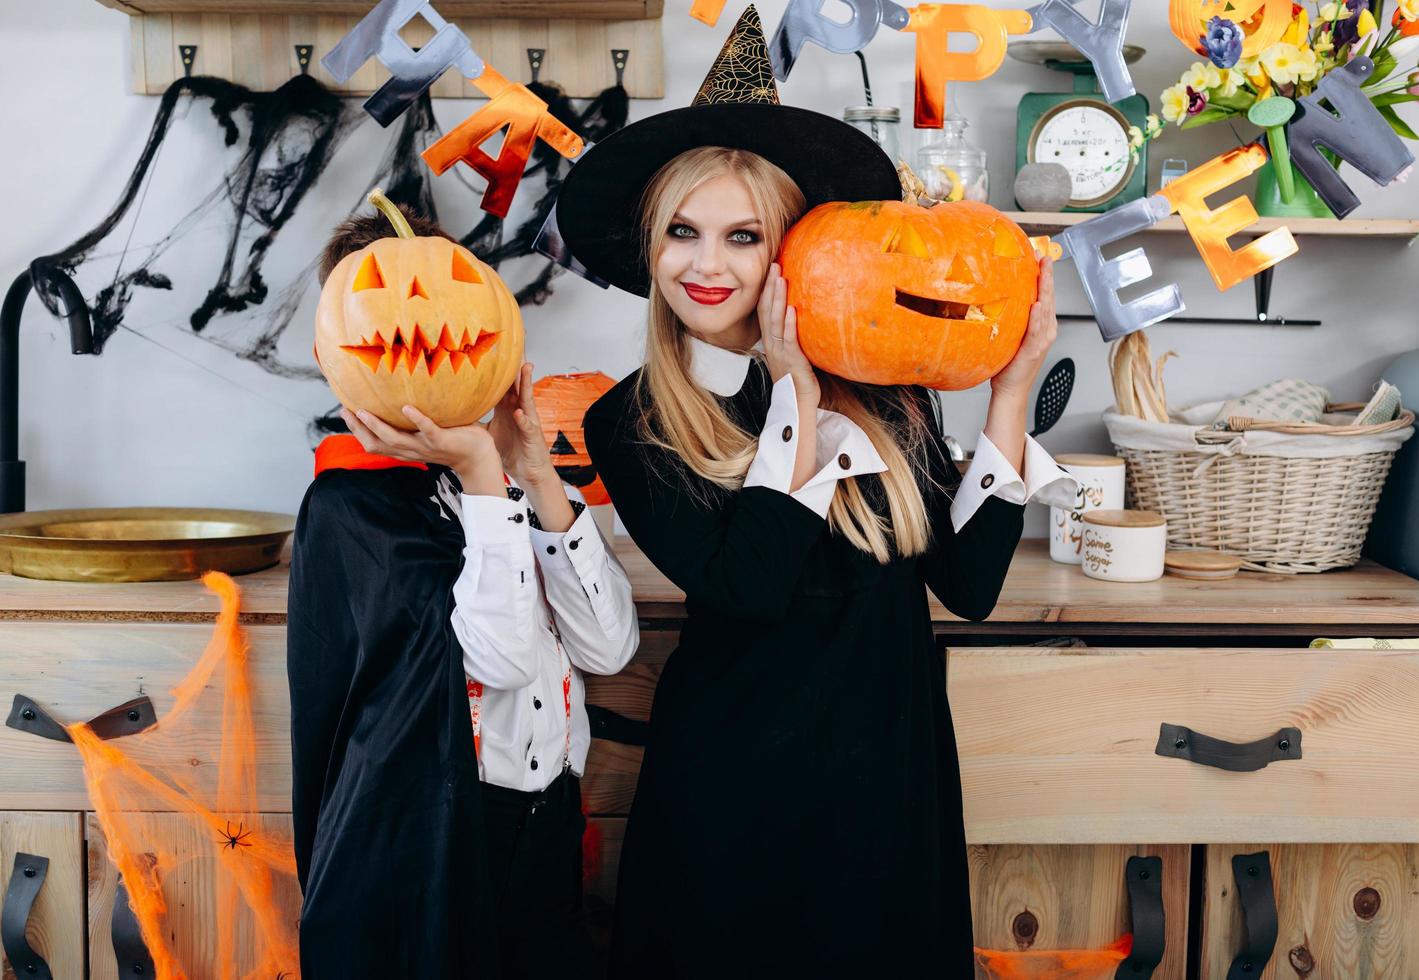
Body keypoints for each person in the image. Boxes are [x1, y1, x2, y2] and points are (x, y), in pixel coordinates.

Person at [553, 7, 1076, 977]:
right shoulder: (627, 421)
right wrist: (794, 397)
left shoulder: (887, 381)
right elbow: (748, 584)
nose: (706, 265)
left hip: (888, 769)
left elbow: (968, 583)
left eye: (743, 236)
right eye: (683, 231)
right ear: (650, 243)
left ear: (795, 250)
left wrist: (1011, 390)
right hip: (734, 778)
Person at [290, 204, 639, 979]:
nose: (429, 333)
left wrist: (533, 473)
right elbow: (506, 660)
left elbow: (608, 646)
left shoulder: (513, 485)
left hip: (550, 822)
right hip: (445, 838)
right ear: (342, 351)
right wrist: (484, 475)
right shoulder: (353, 506)